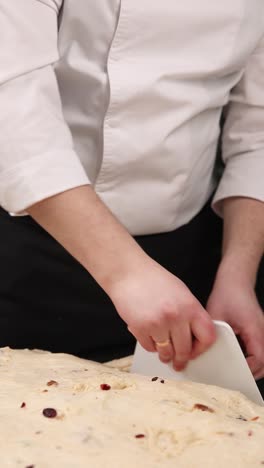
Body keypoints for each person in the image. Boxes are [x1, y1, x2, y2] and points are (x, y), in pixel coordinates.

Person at [0, 2, 264, 391]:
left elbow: (257, 134)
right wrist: (126, 273)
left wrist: (238, 274)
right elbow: (15, 114)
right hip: (32, 251)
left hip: (192, 262)